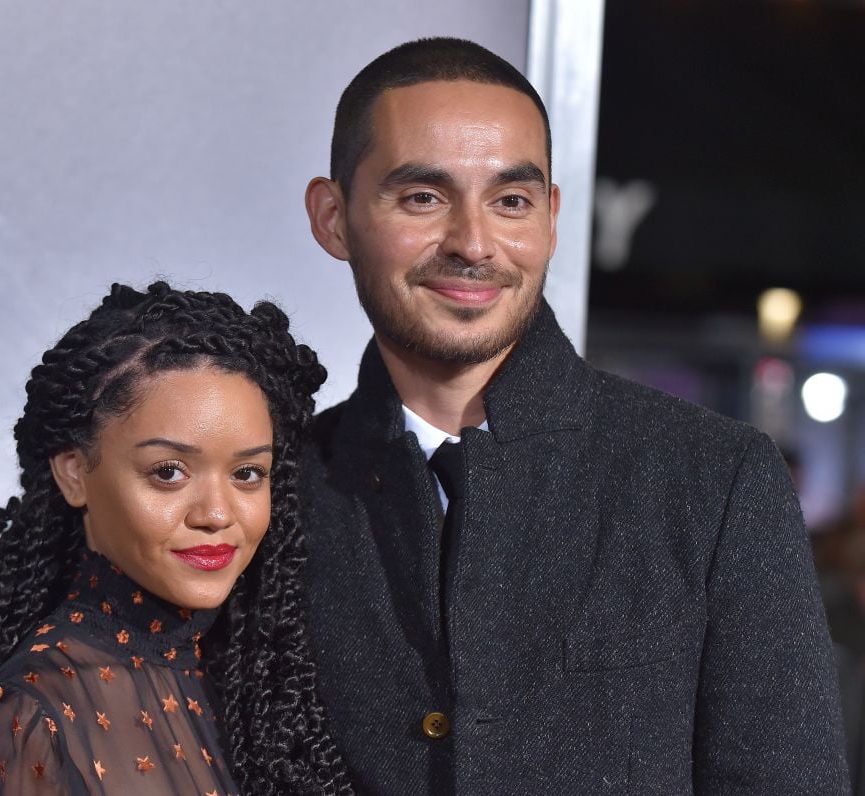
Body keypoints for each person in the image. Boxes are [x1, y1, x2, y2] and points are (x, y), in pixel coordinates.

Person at [301, 37, 850, 793]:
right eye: (423, 197)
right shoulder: (277, 494)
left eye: (511, 201)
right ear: (333, 218)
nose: (473, 242)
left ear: (552, 219)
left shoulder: (711, 479)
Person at [0, 282, 353, 795]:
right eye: (169, 472)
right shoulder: (30, 718)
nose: (216, 514)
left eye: (248, 473)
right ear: (75, 473)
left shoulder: (263, 684)